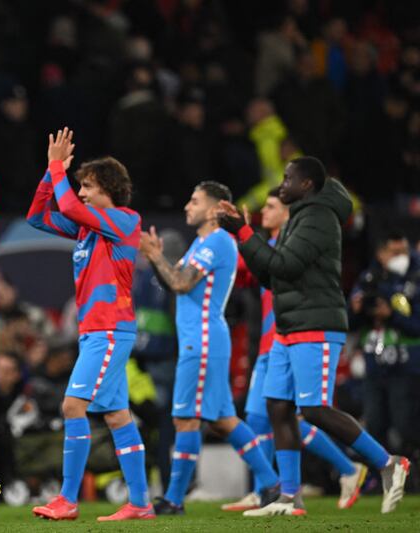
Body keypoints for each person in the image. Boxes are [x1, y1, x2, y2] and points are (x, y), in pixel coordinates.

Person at [218, 156, 410, 516]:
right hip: (289, 326)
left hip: (316, 325)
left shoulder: (319, 217)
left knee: (315, 409)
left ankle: (387, 463)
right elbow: (275, 278)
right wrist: (242, 233)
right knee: (277, 404)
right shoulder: (300, 217)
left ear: (307, 185)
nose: (283, 182)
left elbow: (285, 266)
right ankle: (289, 496)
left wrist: (244, 233)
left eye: (289, 178)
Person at [28, 128, 153, 522]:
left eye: (89, 186)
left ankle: (67, 499)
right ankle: (140, 502)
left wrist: (55, 167)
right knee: (116, 416)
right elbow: (37, 216)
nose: (81, 193)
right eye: (79, 185)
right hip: (96, 332)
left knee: (72, 405)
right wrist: (52, 175)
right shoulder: (87, 227)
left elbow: (67, 207)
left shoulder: (124, 220)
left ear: (110, 189)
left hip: (109, 330)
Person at [139, 181, 280, 515]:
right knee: (221, 419)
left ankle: (173, 499)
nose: (187, 206)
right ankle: (272, 484)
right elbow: (180, 281)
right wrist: (161, 260)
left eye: (195, 200)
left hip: (200, 340)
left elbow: (180, 282)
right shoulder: (205, 242)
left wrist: (156, 255)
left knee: (186, 419)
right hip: (204, 338)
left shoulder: (216, 241)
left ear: (216, 209)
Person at [223, 188, 366, 512]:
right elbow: (244, 274)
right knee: (263, 417)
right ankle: (270, 489)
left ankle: (343, 469)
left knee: (289, 415)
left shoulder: (288, 248)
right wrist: (238, 236)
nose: (265, 212)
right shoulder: (268, 245)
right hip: (270, 342)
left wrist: (242, 237)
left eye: (272, 206)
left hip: (288, 338)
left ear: (288, 214)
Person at [349, 231, 420, 463]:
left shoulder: (416, 279)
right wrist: (356, 312)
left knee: (407, 426)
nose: (401, 257)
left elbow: (417, 324)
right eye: (395, 252)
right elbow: (348, 322)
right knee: (375, 426)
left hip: (406, 366)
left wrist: (391, 315)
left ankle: (413, 474)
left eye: (404, 251)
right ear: (381, 254)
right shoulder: (368, 280)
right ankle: (380, 477)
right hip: (375, 366)